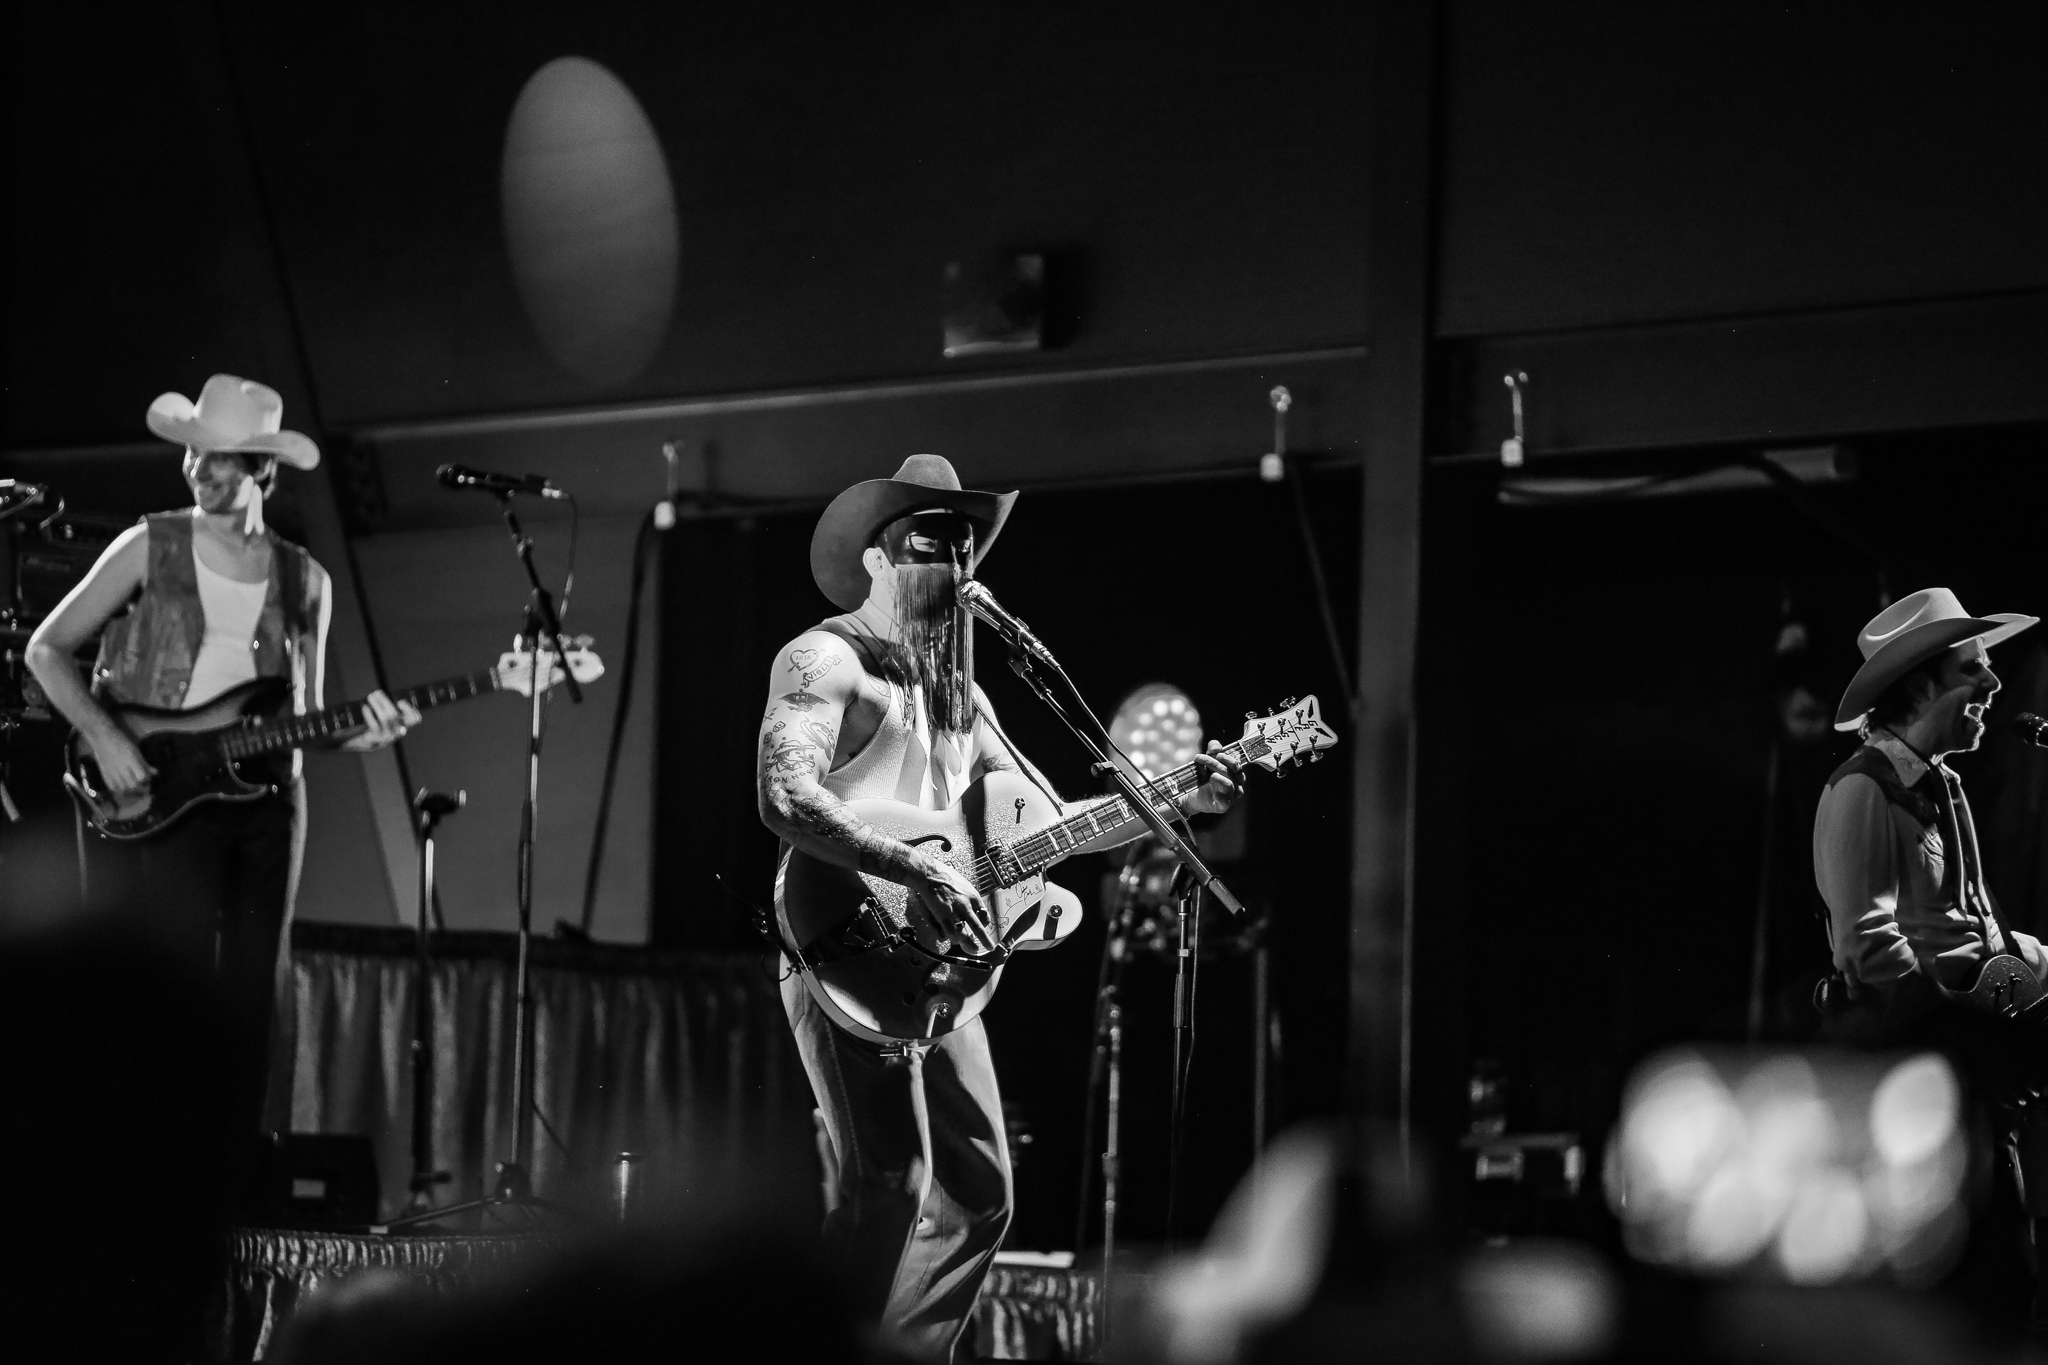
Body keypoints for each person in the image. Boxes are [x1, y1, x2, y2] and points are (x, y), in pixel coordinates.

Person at [756, 454, 1242, 1361]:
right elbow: (785, 794)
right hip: (845, 938)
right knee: (889, 1188)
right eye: (931, 539)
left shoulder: (958, 694)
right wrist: (911, 863)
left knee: (981, 1194)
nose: (956, 560)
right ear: (876, 555)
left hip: (940, 965)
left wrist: (1172, 797)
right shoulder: (825, 658)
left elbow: (1051, 824)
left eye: (967, 542)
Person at [24, 374, 416, 1147]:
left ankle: (238, 1178)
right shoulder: (150, 543)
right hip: (160, 787)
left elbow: (299, 718)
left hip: (268, 798)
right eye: (194, 456)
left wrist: (356, 731)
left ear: (263, 470)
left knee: (254, 991)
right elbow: (47, 649)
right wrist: (107, 736)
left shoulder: (309, 579)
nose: (198, 471)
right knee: (156, 984)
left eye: (220, 460)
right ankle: (137, 1166)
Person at [1813, 586, 2048, 1330]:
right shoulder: (1861, 789)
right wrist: (1971, 1043)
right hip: (1928, 1076)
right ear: (1919, 686)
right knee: (1978, 1291)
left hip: (1974, 1066)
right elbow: (1869, 952)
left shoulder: (1941, 783)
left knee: (2007, 1276)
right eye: (1973, 670)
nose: (1994, 684)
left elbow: (1971, 928)